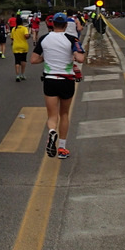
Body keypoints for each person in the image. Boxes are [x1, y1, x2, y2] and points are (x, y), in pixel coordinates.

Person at [31, 12, 85, 160]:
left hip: (50, 80)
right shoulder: (72, 39)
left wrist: (45, 58)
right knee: (64, 114)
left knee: (52, 115)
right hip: (67, 80)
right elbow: (81, 58)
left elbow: (33, 60)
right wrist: (73, 56)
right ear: (66, 25)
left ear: (52, 24)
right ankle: (62, 147)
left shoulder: (44, 39)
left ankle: (51, 132)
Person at [11, 15, 31, 82]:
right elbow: (26, 36)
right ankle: (22, 74)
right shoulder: (24, 28)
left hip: (16, 46)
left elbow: (12, 38)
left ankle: (17, 75)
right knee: (23, 60)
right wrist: (29, 35)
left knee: (17, 61)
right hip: (23, 46)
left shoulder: (14, 29)